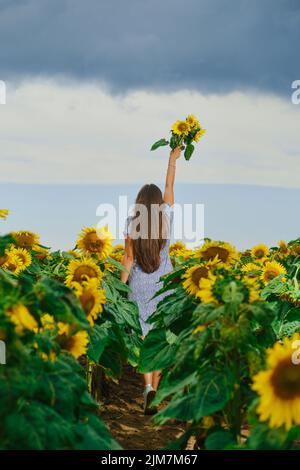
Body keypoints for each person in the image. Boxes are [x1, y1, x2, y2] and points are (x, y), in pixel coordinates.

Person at [121, 146, 181, 414]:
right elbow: (169, 186)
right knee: (158, 339)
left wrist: (119, 288)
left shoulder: (131, 222)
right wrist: (171, 160)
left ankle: (147, 388)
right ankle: (154, 390)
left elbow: (128, 259)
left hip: (139, 286)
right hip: (163, 286)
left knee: (144, 340)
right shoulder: (165, 218)